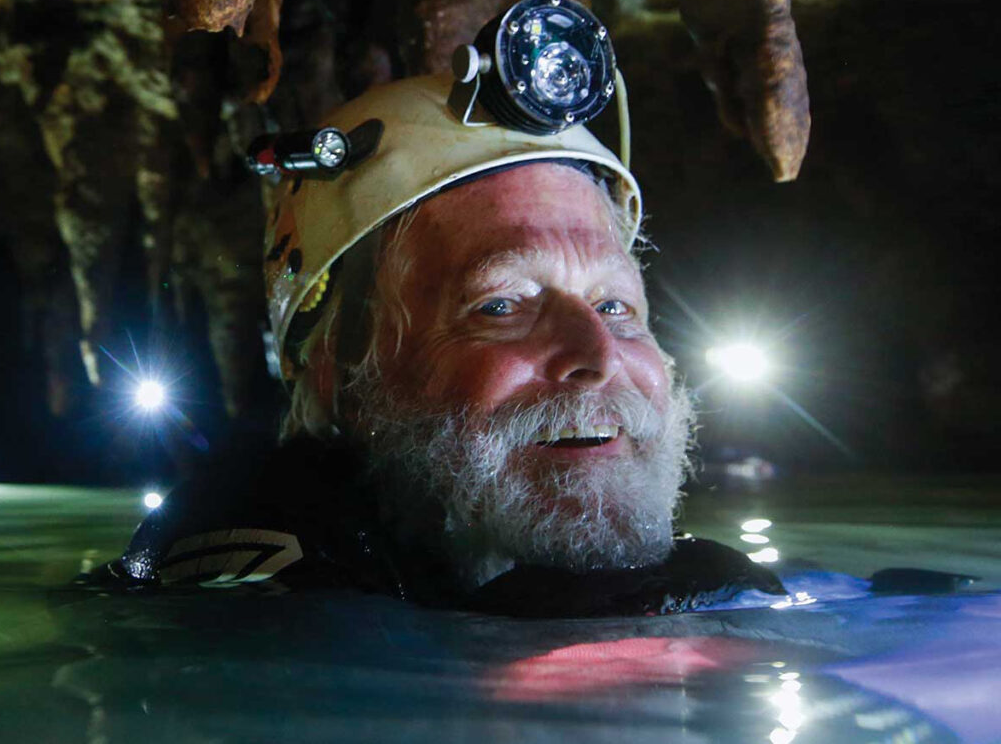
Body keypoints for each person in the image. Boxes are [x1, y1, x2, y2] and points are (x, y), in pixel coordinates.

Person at [91, 58, 784, 616]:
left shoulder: (715, 586)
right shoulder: (247, 594)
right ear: (342, 374)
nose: (597, 357)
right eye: (502, 303)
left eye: (615, 305)